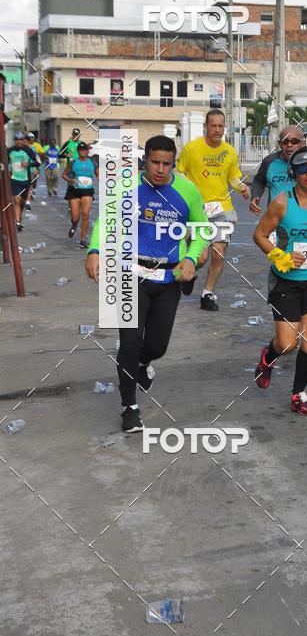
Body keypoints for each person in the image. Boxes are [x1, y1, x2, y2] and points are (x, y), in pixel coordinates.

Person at [86, 135, 208, 432]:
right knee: (130, 343)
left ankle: (140, 366)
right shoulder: (128, 187)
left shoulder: (187, 191)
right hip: (130, 272)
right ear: (145, 160)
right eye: (155, 162)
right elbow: (107, 220)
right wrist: (95, 249)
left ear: (173, 163)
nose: (161, 169)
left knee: (157, 345)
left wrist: (191, 258)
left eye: (167, 164)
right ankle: (130, 408)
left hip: (168, 278)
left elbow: (202, 229)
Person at [252, 146, 307, 416]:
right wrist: (282, 256)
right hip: (286, 281)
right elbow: (260, 235)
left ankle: (298, 393)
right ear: (293, 172)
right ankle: (268, 357)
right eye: (302, 168)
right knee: (288, 344)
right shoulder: (281, 202)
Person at [176, 109, 250, 311]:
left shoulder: (229, 152)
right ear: (206, 127)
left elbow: (233, 177)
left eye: (221, 126)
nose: (217, 130)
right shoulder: (192, 149)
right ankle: (192, 271)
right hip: (197, 210)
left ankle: (207, 294)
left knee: (219, 254)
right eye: (213, 125)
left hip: (222, 208)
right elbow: (178, 171)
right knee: (201, 257)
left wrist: (241, 187)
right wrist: (189, 189)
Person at [249, 125, 307, 217]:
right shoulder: (269, 162)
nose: (289, 145)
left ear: (303, 143)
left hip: (306, 222)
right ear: (280, 144)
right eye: (285, 141)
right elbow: (259, 181)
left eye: (294, 141)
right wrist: (255, 196)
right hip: (276, 224)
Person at [62, 141, 99, 247]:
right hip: (74, 190)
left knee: (86, 214)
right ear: (78, 152)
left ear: (87, 151)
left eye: (84, 150)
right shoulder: (72, 162)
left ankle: (83, 239)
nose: (83, 152)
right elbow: (64, 175)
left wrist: (99, 176)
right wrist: (70, 180)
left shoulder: (92, 162)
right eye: (80, 150)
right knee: (75, 217)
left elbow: (97, 173)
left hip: (87, 191)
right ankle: (74, 225)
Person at [7, 132, 39, 231]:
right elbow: (4, 162)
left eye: (21, 139)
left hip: (25, 180)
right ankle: (17, 221)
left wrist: (28, 164)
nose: (19, 141)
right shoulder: (9, 150)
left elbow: (38, 162)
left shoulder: (28, 150)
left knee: (23, 201)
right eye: (17, 139)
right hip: (14, 179)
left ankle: (19, 213)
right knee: (16, 199)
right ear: (14, 140)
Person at [26, 132, 45, 200]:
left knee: (34, 178)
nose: (31, 139)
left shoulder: (37, 145)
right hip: (29, 165)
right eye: (29, 138)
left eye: (32, 137)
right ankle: (29, 192)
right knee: (29, 179)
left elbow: (42, 153)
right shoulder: (25, 146)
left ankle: (33, 190)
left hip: (35, 164)